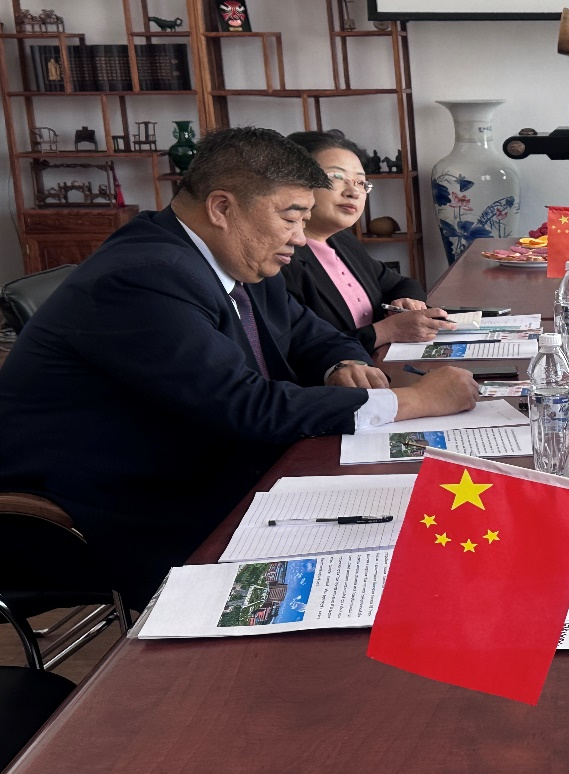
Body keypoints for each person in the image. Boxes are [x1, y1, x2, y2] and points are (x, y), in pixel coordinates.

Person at [0, 126, 478, 610]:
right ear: (222, 208)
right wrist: (413, 400)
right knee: (378, 571)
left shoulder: (238, 255)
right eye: (291, 217)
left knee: (410, 523)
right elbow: (247, 406)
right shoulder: (144, 276)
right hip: (109, 508)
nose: (299, 238)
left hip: (212, 466)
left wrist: (343, 361)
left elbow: (311, 334)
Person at [281, 130, 452, 353]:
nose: (353, 191)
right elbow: (297, 350)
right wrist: (385, 331)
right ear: (294, 181)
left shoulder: (343, 241)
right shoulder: (280, 257)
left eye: (361, 182)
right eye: (336, 177)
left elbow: (401, 284)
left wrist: (406, 301)